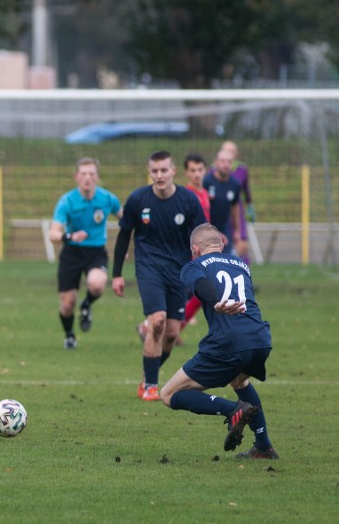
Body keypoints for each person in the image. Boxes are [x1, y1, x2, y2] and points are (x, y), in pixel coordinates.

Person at [160, 223, 277, 459]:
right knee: (239, 381)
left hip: (229, 342)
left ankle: (232, 410)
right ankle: (263, 447)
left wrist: (215, 302)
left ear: (194, 249)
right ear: (222, 244)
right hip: (260, 338)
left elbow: (201, 284)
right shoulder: (242, 264)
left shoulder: (194, 265)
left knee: (169, 394)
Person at [112, 151, 207, 401]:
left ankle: (147, 376)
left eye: (164, 170)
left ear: (173, 171)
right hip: (148, 269)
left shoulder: (188, 200)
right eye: (154, 171)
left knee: (172, 334)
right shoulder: (137, 200)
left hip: (178, 272)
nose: (159, 175)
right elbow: (124, 235)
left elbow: (201, 235)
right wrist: (117, 275)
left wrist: (206, 267)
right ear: (149, 172)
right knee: (157, 322)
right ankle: (151, 387)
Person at [48, 158, 122, 349]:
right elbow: (53, 233)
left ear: (97, 177)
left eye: (91, 174)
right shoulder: (67, 201)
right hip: (71, 252)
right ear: (76, 177)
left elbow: (125, 219)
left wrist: (127, 242)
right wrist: (70, 235)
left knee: (96, 284)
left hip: (96, 251)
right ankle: (70, 335)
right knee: (67, 304)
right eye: (83, 174)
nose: (87, 178)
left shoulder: (108, 199)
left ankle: (87, 304)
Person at [138, 153, 210, 343]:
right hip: (186, 255)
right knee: (198, 292)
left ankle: (171, 329)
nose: (196, 174)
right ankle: (152, 327)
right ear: (184, 172)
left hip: (200, 250)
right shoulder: (185, 196)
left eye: (200, 170)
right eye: (192, 170)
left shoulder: (204, 194)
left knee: (196, 293)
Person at [220, 140, 255, 264]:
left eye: (231, 151)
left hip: (237, 211)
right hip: (221, 213)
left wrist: (250, 206)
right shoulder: (213, 170)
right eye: (226, 150)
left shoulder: (242, 169)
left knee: (242, 246)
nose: (228, 153)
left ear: (236, 154)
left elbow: (246, 190)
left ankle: (245, 279)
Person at [204, 148, 242, 255]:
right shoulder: (206, 181)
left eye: (229, 161)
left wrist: (237, 231)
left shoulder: (235, 184)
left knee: (226, 260)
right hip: (207, 229)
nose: (226, 165)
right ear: (216, 162)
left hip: (225, 229)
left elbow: (235, 207)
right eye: (222, 161)